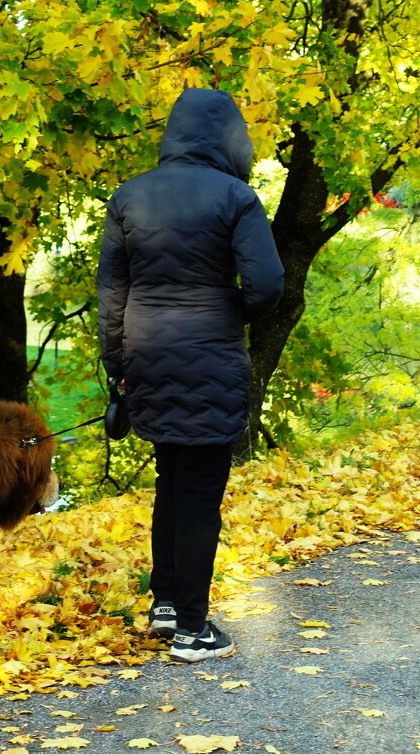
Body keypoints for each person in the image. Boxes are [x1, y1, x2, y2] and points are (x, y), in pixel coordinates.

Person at [96, 88, 284, 663]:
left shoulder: (130, 196)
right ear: (231, 137)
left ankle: (167, 605)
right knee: (200, 491)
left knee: (172, 481)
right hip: (209, 354)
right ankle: (194, 632)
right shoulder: (236, 197)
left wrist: (117, 364)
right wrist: (230, 313)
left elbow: (111, 295)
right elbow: (268, 285)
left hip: (146, 353)